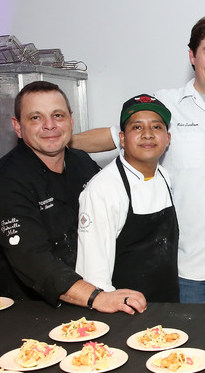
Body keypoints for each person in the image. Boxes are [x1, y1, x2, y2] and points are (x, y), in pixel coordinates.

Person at [72, 16, 205, 303]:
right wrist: (57, 142)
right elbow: (116, 136)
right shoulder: (165, 104)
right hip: (185, 268)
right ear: (192, 56)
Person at [0, 81, 146, 313]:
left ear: (70, 119)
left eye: (57, 115)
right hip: (29, 313)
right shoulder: (6, 181)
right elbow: (33, 260)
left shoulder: (81, 162)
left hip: (88, 300)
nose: (50, 126)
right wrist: (96, 298)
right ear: (17, 127)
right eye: (35, 118)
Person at [76, 94, 179, 302]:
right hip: (122, 312)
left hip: (167, 307)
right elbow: (94, 276)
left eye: (157, 127)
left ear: (167, 139)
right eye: (137, 127)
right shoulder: (102, 190)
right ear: (122, 138)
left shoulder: (164, 176)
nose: (148, 135)